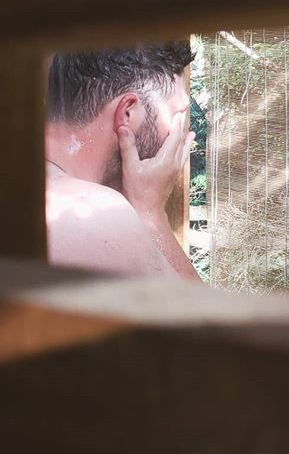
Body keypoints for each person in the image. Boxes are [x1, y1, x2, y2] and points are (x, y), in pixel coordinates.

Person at [45, 41, 201, 281]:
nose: (179, 137)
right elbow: (206, 317)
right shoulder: (95, 214)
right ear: (127, 114)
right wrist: (150, 212)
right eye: (177, 115)